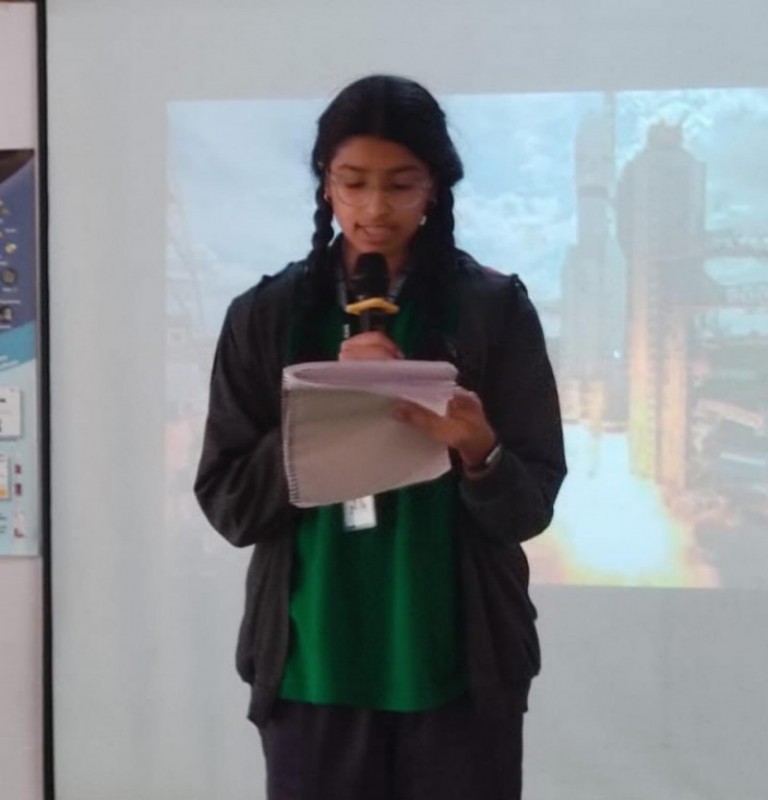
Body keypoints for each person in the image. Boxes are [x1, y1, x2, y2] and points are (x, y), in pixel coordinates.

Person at [195, 75, 567, 800]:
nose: (373, 209)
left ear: (435, 188)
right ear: (325, 183)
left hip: (458, 673)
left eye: (400, 185)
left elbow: (530, 507)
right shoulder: (265, 316)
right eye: (353, 182)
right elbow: (229, 505)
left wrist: (480, 452)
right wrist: (323, 405)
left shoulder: (494, 311)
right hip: (311, 669)